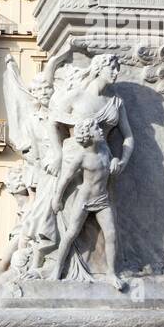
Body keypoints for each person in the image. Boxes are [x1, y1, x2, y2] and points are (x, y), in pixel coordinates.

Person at [51, 120, 126, 290]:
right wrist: (57, 198)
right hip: (84, 200)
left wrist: (115, 161)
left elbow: (113, 162)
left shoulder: (105, 150)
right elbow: (66, 178)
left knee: (111, 234)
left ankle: (111, 273)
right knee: (71, 233)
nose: (101, 130)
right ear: (88, 134)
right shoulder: (82, 157)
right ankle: (57, 269)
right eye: (96, 128)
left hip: (102, 200)